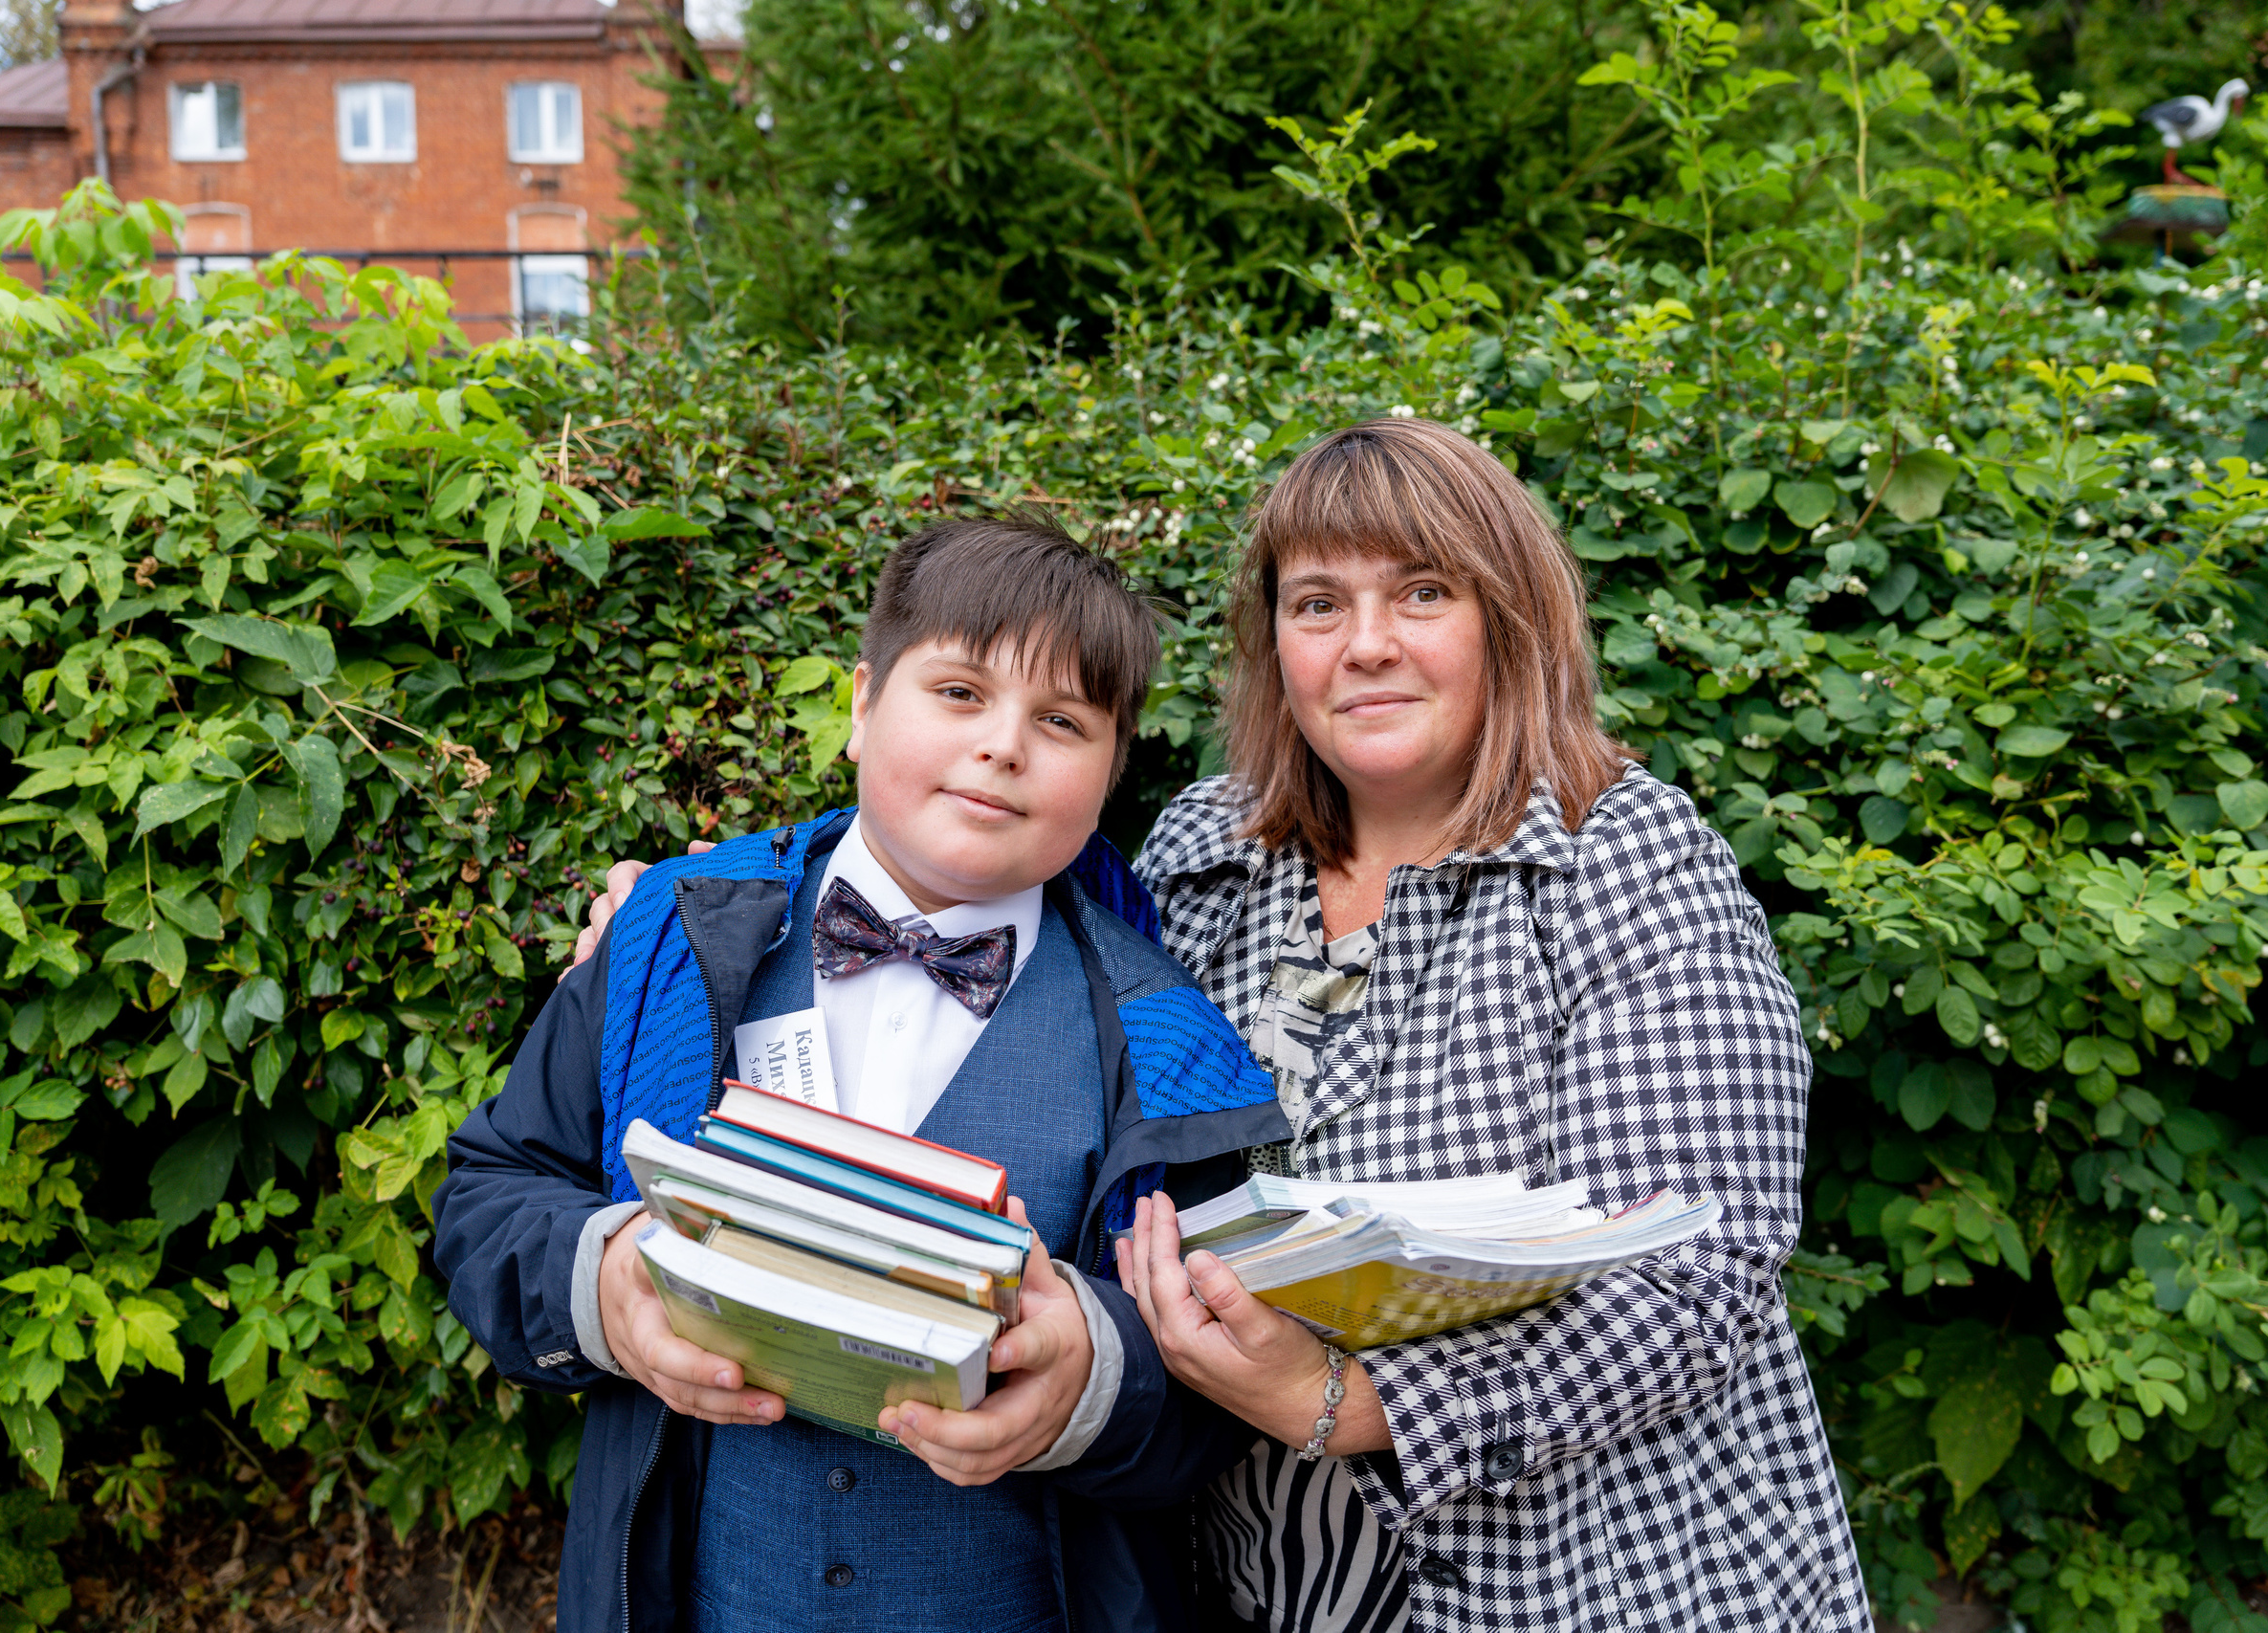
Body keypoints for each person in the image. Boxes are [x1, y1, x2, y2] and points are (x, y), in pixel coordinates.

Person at [577, 420, 1870, 1630]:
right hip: (1272, 1582)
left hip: (1590, 1575)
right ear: (1277, 646)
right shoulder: (1208, 849)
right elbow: (967, 861)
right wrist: (676, 910)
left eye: (1423, 591)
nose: (1365, 643)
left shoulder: (1629, 868)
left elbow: (1698, 1276)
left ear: (1509, 620)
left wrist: (1349, 1402)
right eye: (1319, 603)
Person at [436, 513, 1290, 1633]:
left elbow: (1220, 1392)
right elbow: (489, 1196)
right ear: (858, 703)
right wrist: (604, 1291)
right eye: (957, 693)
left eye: (1062, 721)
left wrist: (1091, 1373)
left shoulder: (1169, 1042)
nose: (1002, 745)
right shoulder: (669, 944)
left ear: (1112, 772)